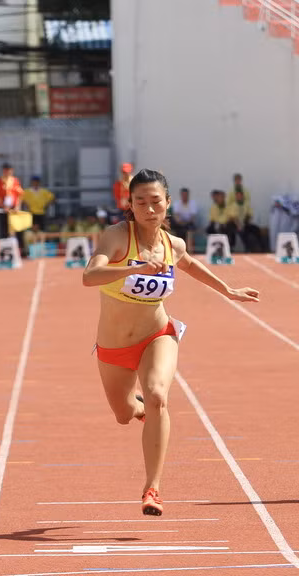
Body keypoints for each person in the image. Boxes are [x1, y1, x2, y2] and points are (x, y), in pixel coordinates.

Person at [82, 168, 259, 516]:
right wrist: (133, 269)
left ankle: (153, 489)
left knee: (158, 395)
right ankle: (141, 408)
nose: (149, 209)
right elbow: (90, 276)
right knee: (123, 414)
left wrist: (229, 290)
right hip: (114, 345)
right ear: (130, 205)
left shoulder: (172, 244)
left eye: (155, 202)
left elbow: (190, 264)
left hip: (157, 335)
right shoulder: (117, 236)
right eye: (140, 202)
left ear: (167, 204)